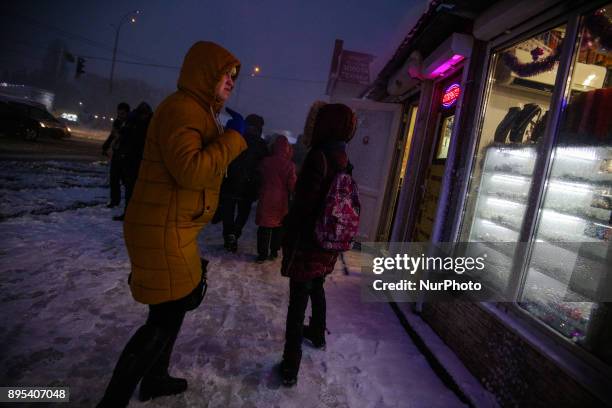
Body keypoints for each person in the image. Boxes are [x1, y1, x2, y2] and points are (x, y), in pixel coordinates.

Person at [96, 41, 246, 408]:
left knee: (171, 306)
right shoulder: (182, 109)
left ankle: (156, 377)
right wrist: (233, 139)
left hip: (172, 225)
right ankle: (112, 402)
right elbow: (192, 170)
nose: (231, 82)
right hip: (161, 227)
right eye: (225, 74)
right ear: (206, 73)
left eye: (234, 77)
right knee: (166, 314)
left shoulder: (198, 111)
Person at [279, 103, 357, 387]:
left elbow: (304, 204)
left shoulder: (318, 156)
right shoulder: (342, 156)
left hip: (310, 240)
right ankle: (317, 334)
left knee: (297, 300)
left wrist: (289, 233)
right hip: (329, 239)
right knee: (318, 286)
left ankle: (290, 365)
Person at [219, 113, 268, 251]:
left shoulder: (237, 138)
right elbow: (264, 167)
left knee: (228, 210)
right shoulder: (262, 145)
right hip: (249, 185)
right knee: (243, 212)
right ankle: (234, 234)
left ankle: (228, 235)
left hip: (231, 181)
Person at [255, 135, 297, 262]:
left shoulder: (266, 161)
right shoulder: (290, 165)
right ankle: (274, 251)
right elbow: (292, 185)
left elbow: (259, 176)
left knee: (264, 226)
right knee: (278, 226)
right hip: (281, 200)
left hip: (266, 196)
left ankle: (262, 254)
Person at [112, 102, 153, 221]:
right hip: (136, 160)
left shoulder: (134, 122)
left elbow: (123, 136)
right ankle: (132, 213)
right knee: (133, 189)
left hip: (134, 159)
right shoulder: (142, 122)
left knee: (132, 189)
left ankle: (130, 213)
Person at [102, 102, 130, 208]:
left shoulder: (131, 123)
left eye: (122, 114)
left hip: (126, 156)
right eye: (119, 113)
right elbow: (112, 135)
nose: (120, 116)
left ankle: (128, 202)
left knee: (125, 181)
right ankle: (115, 201)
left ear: (127, 113)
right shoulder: (117, 122)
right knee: (114, 178)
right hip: (117, 153)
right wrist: (105, 146)